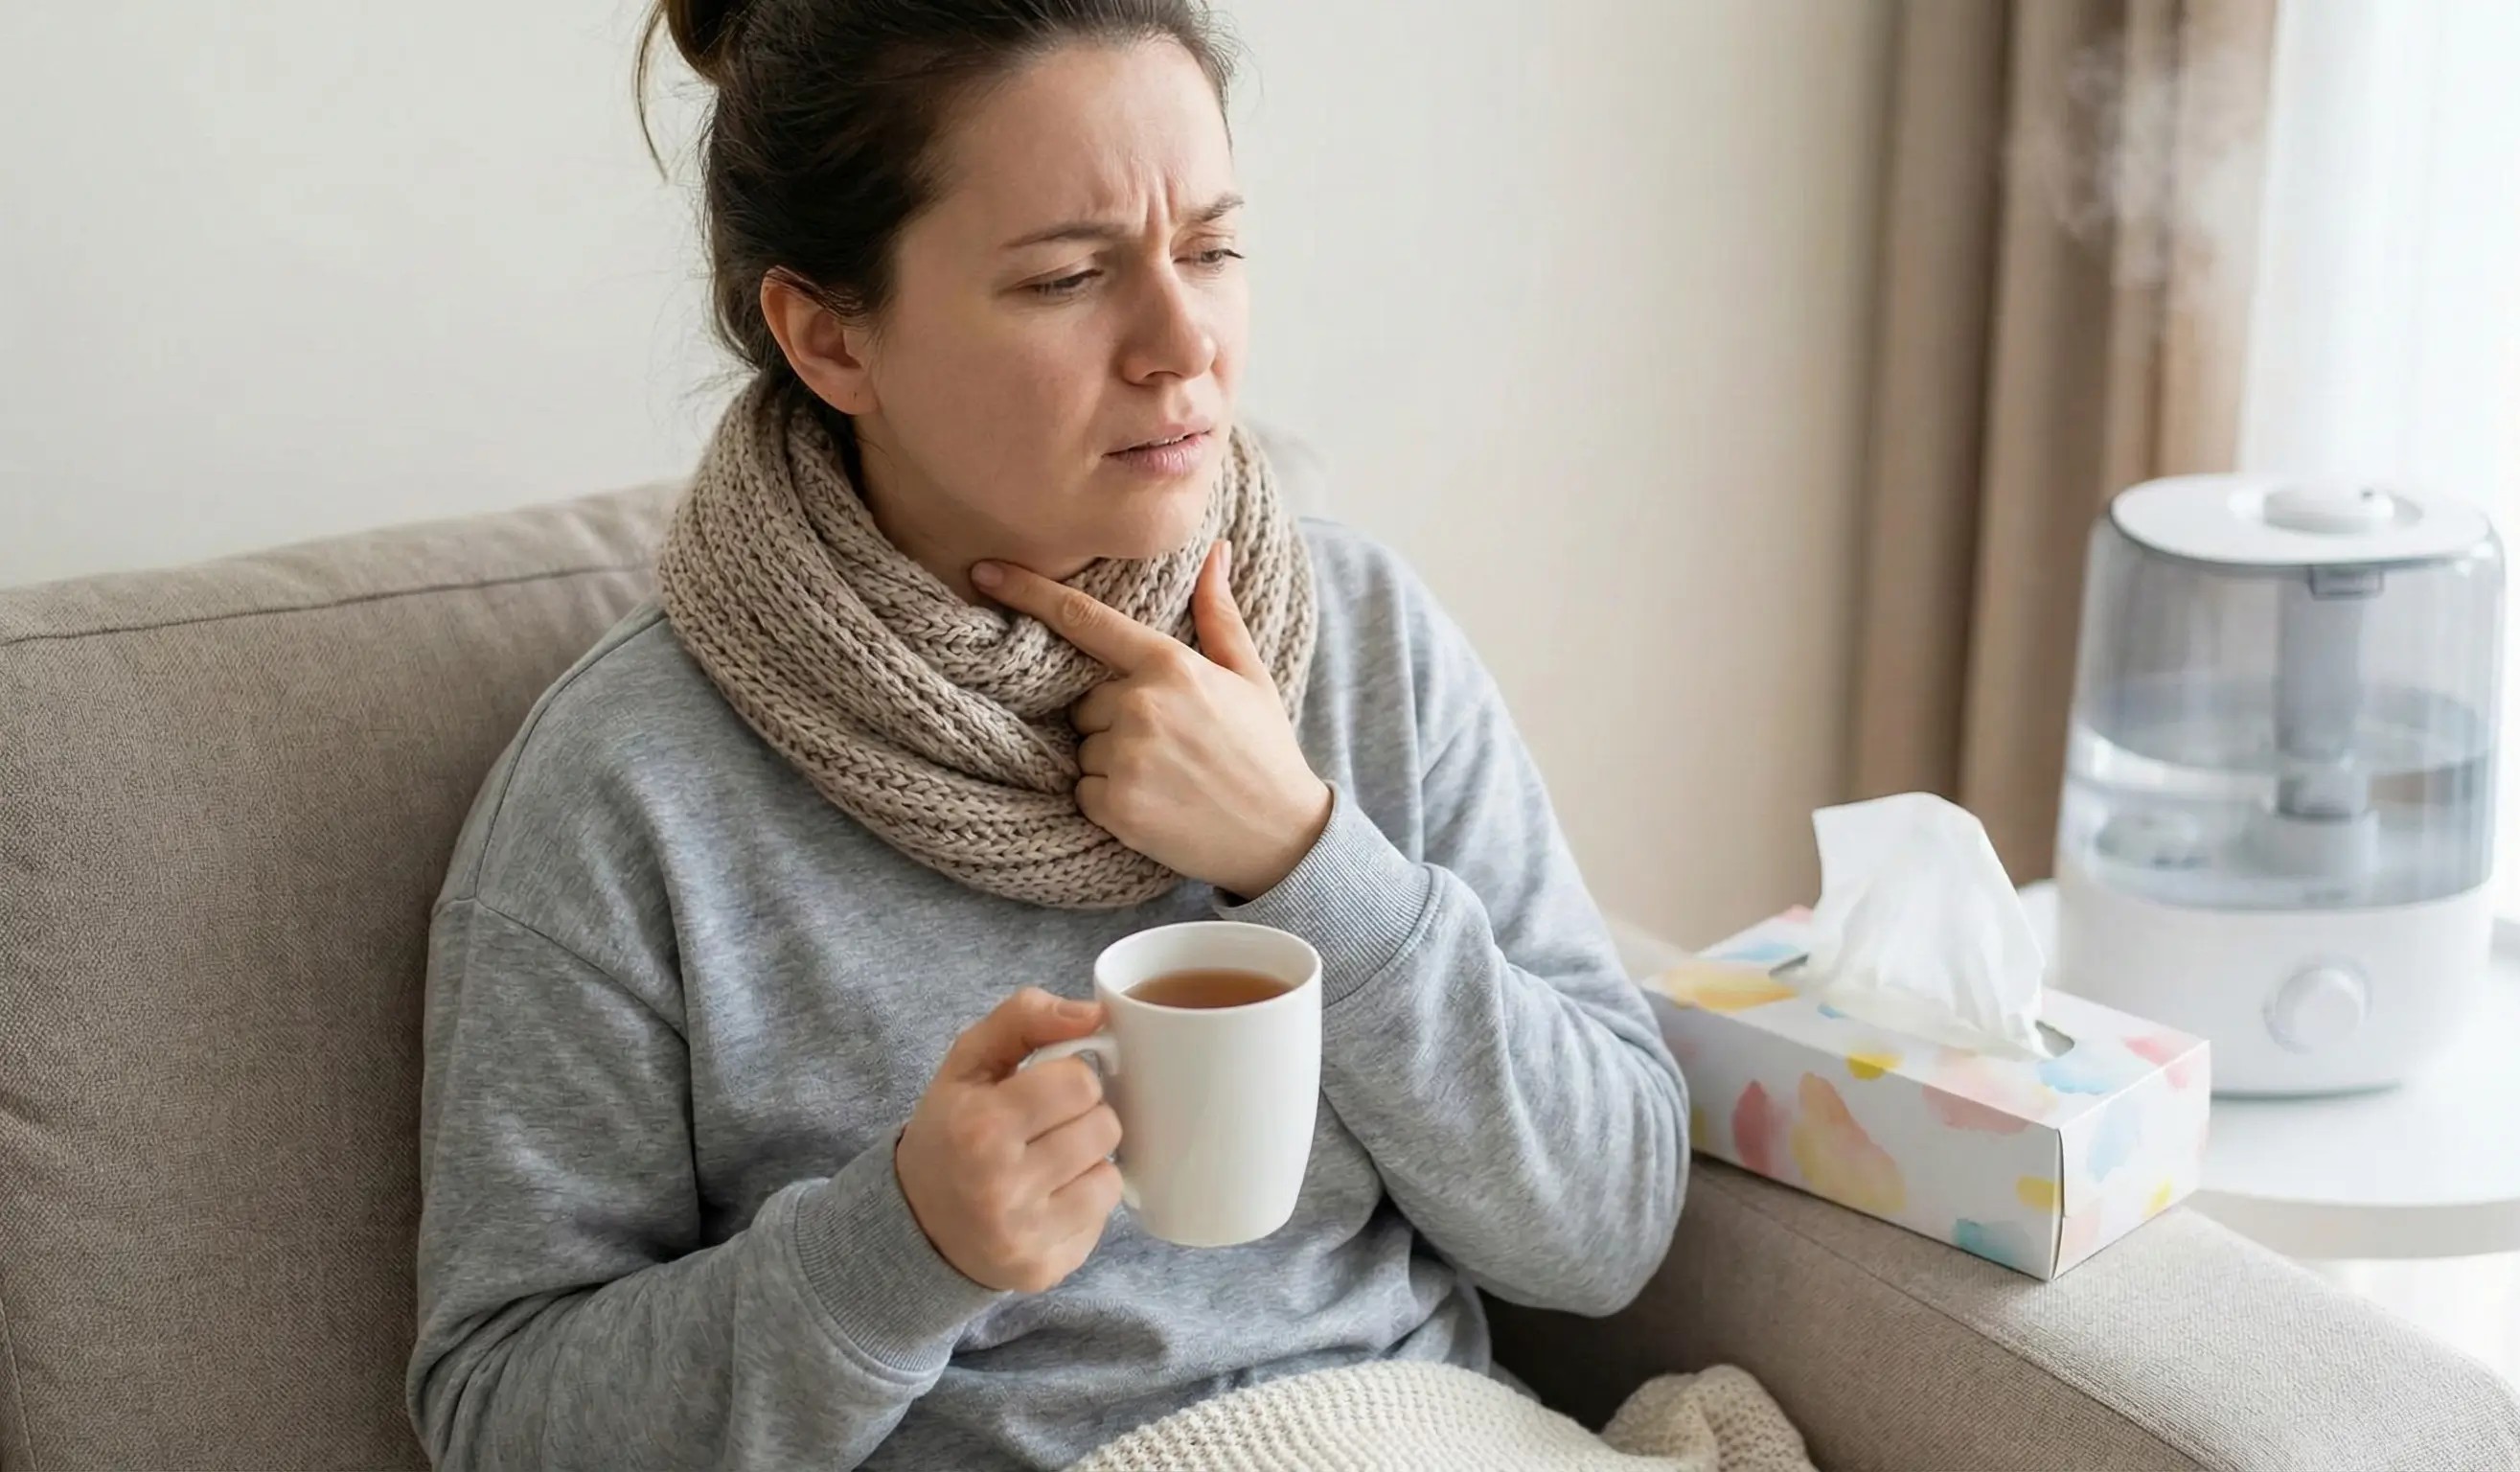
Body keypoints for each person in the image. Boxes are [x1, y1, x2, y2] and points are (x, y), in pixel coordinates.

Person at [403, 1, 1687, 1467]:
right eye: (1070, 276)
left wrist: (1307, 858)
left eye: (1208, 250)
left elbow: (1609, 1227)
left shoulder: (1361, 639)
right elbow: (500, 1420)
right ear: (828, 337)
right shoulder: (629, 789)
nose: (1181, 342)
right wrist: (899, 1249)